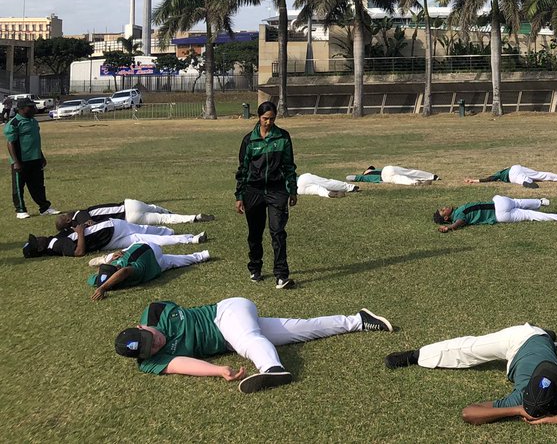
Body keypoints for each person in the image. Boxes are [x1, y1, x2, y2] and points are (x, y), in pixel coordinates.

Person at [114, 297, 393, 393]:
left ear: (141, 326)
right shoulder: (150, 362)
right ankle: (358, 320)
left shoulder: (155, 311)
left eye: (151, 338)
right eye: (150, 348)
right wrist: (218, 370)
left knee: (248, 341)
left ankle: (272, 369)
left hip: (227, 312)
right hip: (230, 337)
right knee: (301, 329)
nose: (156, 343)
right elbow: (181, 365)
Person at [383, 323, 557, 425]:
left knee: (470, 349)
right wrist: (553, 420)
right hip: (521, 337)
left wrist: (518, 409)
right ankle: (416, 355)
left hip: (526, 344)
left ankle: (545, 334)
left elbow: (468, 413)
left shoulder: (521, 399)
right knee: (470, 348)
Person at [235, 102, 297, 289]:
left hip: (277, 191)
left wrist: (292, 190)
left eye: (271, 118)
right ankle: (255, 268)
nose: (268, 122)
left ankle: (281, 275)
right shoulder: (249, 140)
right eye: (265, 118)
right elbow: (243, 169)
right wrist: (239, 196)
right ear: (258, 117)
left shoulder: (283, 137)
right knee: (255, 233)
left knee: (278, 232)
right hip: (253, 192)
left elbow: (289, 165)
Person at [23, 217, 205, 258]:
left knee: (146, 237)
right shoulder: (56, 246)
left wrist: (82, 228)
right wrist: (80, 233)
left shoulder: (55, 238)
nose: (38, 237)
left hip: (108, 238)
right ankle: (187, 238)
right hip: (110, 231)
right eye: (35, 241)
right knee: (145, 234)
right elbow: (78, 252)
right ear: (39, 249)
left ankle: (187, 237)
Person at [88, 241, 210, 300]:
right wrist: (103, 284)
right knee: (174, 261)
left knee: (173, 261)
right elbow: (94, 277)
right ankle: (201, 255)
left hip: (151, 250)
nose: (117, 267)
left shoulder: (126, 269)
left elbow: (122, 271)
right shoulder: (121, 269)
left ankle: (200, 256)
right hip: (146, 252)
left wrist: (103, 287)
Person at [7, 98, 57, 219]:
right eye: (30, 107)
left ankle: (44, 208)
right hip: (21, 161)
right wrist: (16, 162)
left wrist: (41, 156)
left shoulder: (33, 121)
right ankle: (20, 210)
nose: (34, 109)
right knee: (19, 187)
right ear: (22, 109)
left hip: (35, 159)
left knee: (38, 185)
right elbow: (10, 143)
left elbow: (35, 141)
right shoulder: (14, 123)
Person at [433, 196, 557, 232]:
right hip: (498, 209)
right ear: (446, 217)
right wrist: (450, 227)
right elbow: (459, 223)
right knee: (520, 205)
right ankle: (540, 202)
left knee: (528, 214)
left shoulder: (457, 212)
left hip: (500, 214)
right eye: (443, 210)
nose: (444, 207)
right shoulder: (458, 216)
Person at [56, 199, 214, 227]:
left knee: (163, 219)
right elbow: (86, 219)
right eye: (64, 217)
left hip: (128, 218)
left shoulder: (80, 218)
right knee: (155, 208)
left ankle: (193, 218)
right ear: (69, 219)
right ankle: (175, 212)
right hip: (128, 205)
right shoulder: (80, 213)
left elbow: (89, 223)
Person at [465, 164, 557, 189]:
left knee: (523, 180)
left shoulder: (499, 174)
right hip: (517, 167)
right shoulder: (504, 170)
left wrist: (474, 180)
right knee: (539, 174)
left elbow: (489, 178)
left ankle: (528, 183)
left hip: (512, 176)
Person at [346, 165, 438, 186]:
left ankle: (415, 182)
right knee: (409, 172)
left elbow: (353, 177)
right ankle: (432, 176)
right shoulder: (377, 169)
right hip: (388, 168)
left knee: (400, 179)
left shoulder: (365, 176)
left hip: (385, 177)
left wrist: (355, 177)